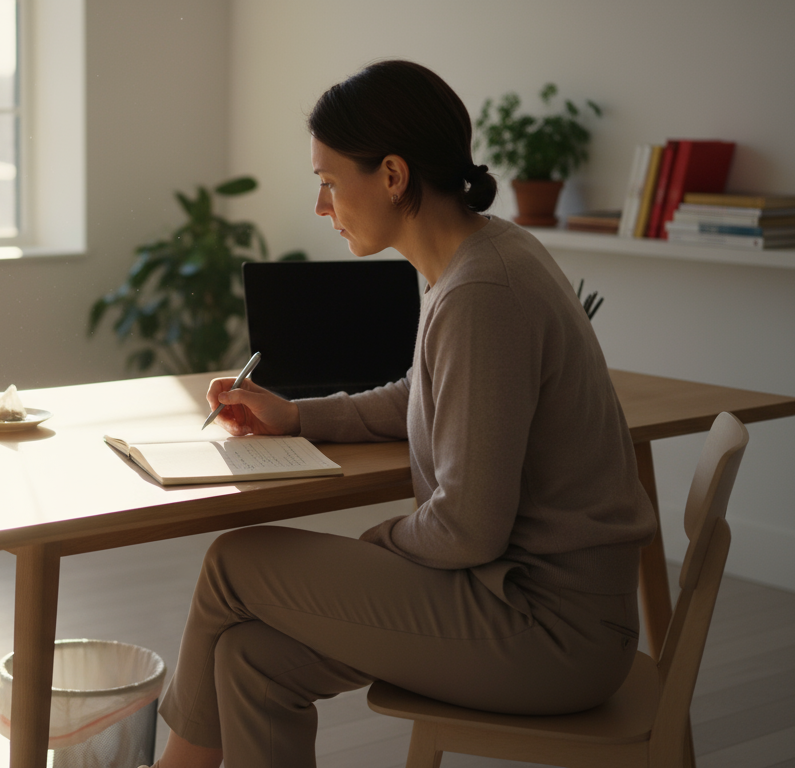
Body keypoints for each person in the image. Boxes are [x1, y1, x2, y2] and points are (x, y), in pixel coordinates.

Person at [143, 60, 658, 768]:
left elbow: (468, 526)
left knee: (234, 560)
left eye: (328, 182)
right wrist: (297, 416)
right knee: (250, 656)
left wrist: (371, 551)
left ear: (392, 175)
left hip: (546, 633)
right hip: (511, 600)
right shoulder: (479, 258)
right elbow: (423, 394)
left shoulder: (483, 293)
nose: (322, 206)